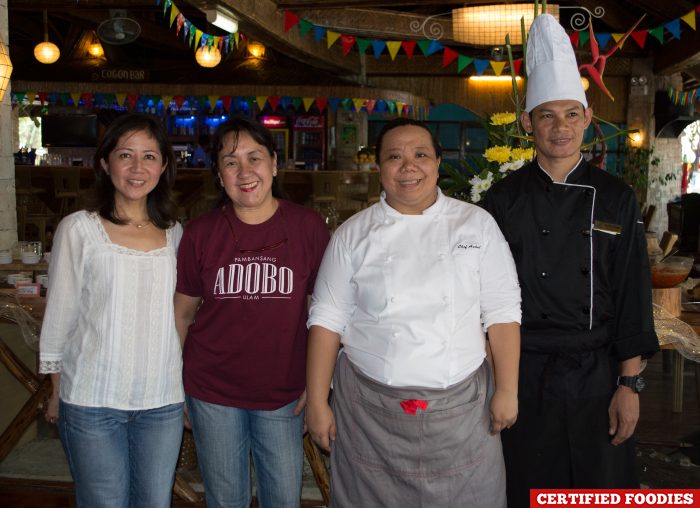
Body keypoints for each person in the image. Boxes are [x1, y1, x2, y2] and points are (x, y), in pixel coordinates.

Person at [482, 14, 660, 507]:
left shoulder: (617, 198)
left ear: (587, 119)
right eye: (546, 115)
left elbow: (631, 296)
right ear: (527, 124)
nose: (559, 127)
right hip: (525, 375)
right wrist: (499, 384)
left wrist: (630, 384)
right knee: (527, 491)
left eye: (570, 114)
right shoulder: (502, 200)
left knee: (598, 493)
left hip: (597, 376)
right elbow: (483, 299)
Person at [306, 117, 522, 508]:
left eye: (420, 154)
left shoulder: (477, 225)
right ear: (378, 167)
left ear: (438, 162)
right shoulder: (352, 235)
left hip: (461, 411)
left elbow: (503, 311)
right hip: (369, 412)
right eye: (394, 156)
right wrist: (319, 402)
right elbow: (326, 319)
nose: (408, 166)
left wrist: (507, 390)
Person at [174, 116, 329, 508]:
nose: (245, 172)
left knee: (283, 497)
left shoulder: (308, 227)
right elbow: (182, 314)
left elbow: (324, 315)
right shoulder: (200, 232)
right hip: (212, 390)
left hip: (285, 392)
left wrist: (318, 386)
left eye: (254, 158)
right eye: (231, 162)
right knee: (225, 498)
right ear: (219, 175)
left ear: (275, 164)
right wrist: (174, 387)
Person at [40, 114, 184, 508]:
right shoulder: (79, 229)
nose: (138, 168)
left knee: (155, 502)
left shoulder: (176, 233)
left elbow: (181, 316)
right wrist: (56, 391)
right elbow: (60, 316)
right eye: (126, 155)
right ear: (105, 164)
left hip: (162, 400)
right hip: (92, 399)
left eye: (150, 156)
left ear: (164, 166)